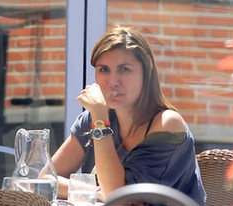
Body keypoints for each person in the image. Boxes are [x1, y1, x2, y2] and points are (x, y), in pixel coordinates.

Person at [51, 25, 206, 205]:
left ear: (146, 70)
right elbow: (47, 179)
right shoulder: (94, 117)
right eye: (104, 69)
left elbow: (120, 198)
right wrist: (95, 191)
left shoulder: (168, 124)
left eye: (124, 69)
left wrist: (100, 122)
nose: (113, 82)